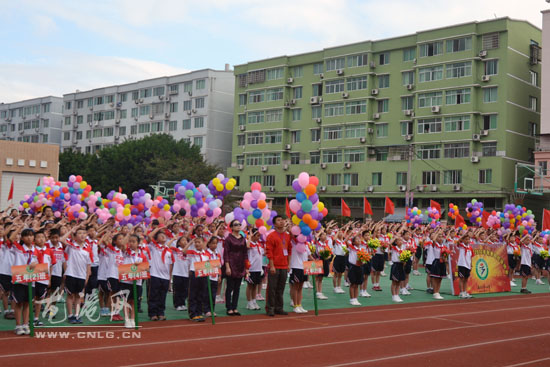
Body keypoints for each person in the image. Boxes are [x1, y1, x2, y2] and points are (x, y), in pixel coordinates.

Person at [60, 226, 92, 324]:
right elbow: (61, 239)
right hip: (71, 274)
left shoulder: (88, 248)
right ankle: (70, 315)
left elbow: (88, 265)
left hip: (81, 276)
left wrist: (86, 278)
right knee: (70, 295)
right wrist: (70, 230)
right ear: (75, 236)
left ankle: (77, 315)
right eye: (80, 233)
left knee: (78, 296)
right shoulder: (70, 245)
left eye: (84, 233)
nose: (82, 235)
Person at [11, 228, 39, 335]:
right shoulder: (18, 247)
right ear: (22, 238)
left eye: (32, 235)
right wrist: (17, 226)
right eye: (27, 235)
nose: (29, 237)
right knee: (18, 303)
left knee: (28, 304)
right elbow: (10, 239)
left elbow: (38, 264)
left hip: (31, 280)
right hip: (19, 279)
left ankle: (25, 324)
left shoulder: (35, 250)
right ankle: (18, 325)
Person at [119, 234, 148, 329]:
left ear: (138, 243)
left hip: (138, 281)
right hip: (126, 281)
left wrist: (140, 265)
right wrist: (128, 234)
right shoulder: (126, 251)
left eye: (133, 241)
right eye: (130, 241)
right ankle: (126, 319)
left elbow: (146, 268)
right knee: (125, 300)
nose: (131, 243)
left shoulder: (142, 254)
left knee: (134, 301)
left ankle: (132, 319)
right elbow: (122, 244)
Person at [265, 216, 291, 316]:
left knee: (281, 288)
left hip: (284, 266)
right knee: (272, 288)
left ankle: (279, 307)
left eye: (282, 220)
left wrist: (288, 264)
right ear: (274, 224)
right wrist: (271, 266)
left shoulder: (287, 236)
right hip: (274, 265)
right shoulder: (271, 236)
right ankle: (270, 308)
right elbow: (269, 252)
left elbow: (289, 250)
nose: (281, 222)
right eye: (279, 221)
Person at [147, 229, 174, 321]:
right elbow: (149, 236)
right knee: (153, 295)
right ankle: (153, 313)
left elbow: (170, 265)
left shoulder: (169, 251)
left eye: (164, 236)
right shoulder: (154, 247)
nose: (164, 237)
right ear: (157, 239)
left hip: (165, 277)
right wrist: (159, 228)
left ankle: (161, 312)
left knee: (163, 296)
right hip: (155, 275)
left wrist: (169, 278)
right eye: (161, 236)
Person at [223, 220, 248, 316]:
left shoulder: (243, 238)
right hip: (231, 263)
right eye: (236, 225)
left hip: (240, 264)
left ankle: (235, 307)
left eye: (239, 224)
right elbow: (226, 253)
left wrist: (247, 267)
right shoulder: (228, 239)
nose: (238, 226)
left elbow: (245, 253)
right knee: (230, 287)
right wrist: (227, 267)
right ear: (231, 227)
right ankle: (228, 307)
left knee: (237, 288)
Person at [289, 238, 310, 313]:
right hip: (296, 267)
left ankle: (299, 305)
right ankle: (295, 306)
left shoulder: (306, 245)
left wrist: (317, 262)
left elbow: (309, 256)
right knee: (296, 286)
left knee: (300, 287)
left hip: (304, 267)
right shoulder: (294, 243)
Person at [171, 236, 191, 311]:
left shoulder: (189, 252)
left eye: (186, 240)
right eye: (183, 240)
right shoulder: (176, 250)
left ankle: (182, 303)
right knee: (177, 290)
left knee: (185, 290)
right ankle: (177, 304)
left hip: (186, 274)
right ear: (179, 243)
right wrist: (173, 239)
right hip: (177, 273)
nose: (185, 242)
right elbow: (168, 246)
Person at [246, 229, 263, 310]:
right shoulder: (249, 243)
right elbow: (247, 246)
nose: (259, 237)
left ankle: (254, 301)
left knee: (255, 285)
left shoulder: (258, 244)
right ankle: (249, 303)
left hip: (258, 268)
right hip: (251, 268)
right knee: (250, 285)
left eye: (260, 235)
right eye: (257, 235)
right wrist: (250, 237)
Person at [456, 234, 473, 298]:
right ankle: (461, 292)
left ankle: (465, 292)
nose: (467, 240)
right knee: (461, 279)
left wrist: (471, 265)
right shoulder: (461, 246)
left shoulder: (470, 247)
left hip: (468, 265)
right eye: (466, 239)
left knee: (466, 279)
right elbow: (458, 241)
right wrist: (463, 236)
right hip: (462, 264)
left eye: (468, 239)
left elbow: (471, 257)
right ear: (463, 240)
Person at [390, 236, 405, 303]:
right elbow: (389, 244)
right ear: (396, 242)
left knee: (399, 281)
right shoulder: (393, 248)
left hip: (401, 265)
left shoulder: (403, 248)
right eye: (399, 240)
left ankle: (397, 294)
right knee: (394, 281)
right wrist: (394, 238)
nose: (400, 242)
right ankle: (393, 295)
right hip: (395, 265)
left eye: (401, 240)